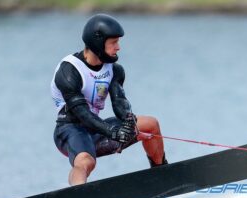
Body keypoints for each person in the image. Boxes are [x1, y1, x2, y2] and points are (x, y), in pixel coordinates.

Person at [51, 13, 167, 186]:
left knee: (150, 125)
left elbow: (119, 103)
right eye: (113, 42)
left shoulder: (114, 70)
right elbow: (82, 114)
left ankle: (163, 176)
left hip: (98, 129)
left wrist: (128, 120)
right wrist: (113, 132)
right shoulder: (69, 71)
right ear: (97, 42)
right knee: (86, 162)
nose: (118, 47)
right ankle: (77, 196)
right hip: (70, 130)